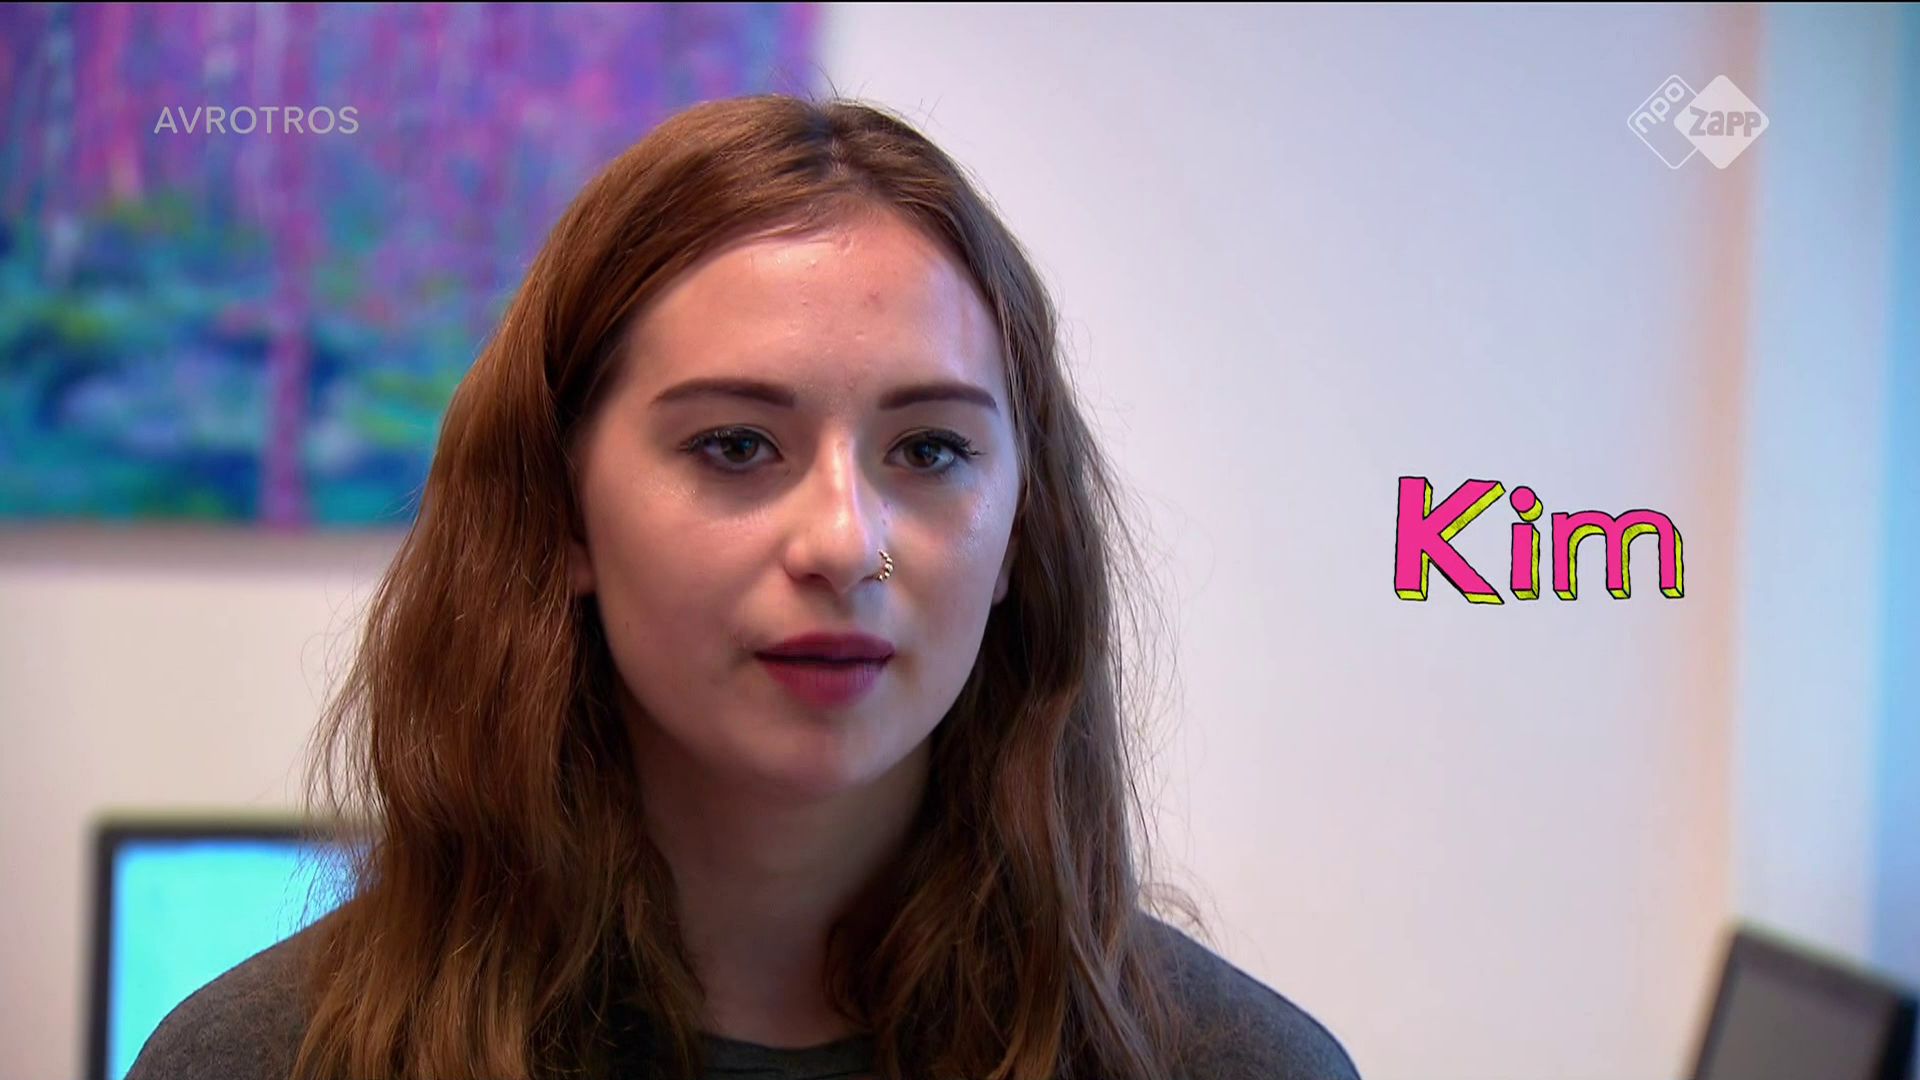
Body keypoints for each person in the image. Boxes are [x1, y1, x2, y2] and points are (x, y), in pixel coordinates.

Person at [126, 94, 1361, 1080]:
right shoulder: (267, 1060)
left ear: (1020, 531)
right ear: (562, 511)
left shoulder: (1237, 1067)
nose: (846, 544)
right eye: (734, 445)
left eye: (930, 450)